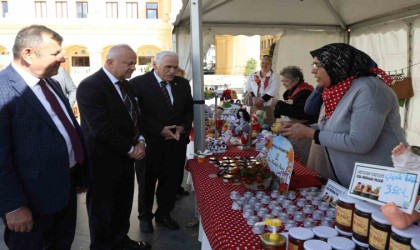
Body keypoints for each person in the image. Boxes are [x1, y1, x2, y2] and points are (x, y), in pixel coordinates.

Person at [0, 25, 89, 250]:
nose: (63, 57)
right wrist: (12, 206)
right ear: (28, 54)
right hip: (30, 202)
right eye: (56, 53)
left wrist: (77, 173)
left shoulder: (52, 83)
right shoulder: (3, 91)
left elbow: (66, 129)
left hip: (64, 188)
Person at [280, 43, 406, 187]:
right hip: (354, 181)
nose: (313, 71)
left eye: (317, 65)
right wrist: (299, 128)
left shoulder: (370, 90)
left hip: (379, 183)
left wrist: (311, 134)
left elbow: (359, 142)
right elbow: (333, 127)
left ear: (337, 64)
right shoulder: (340, 88)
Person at [76, 44, 150, 249]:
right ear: (110, 62)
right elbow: (101, 129)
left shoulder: (127, 85)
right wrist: (131, 149)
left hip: (126, 158)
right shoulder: (91, 86)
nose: (133, 68)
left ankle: (120, 240)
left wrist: (141, 141)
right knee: (103, 209)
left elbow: (137, 118)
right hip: (103, 160)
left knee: (123, 203)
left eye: (134, 63)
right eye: (129, 63)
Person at [131, 51, 193, 233]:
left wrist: (182, 127)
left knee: (171, 181)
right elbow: (137, 115)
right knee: (146, 182)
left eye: (175, 67)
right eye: (168, 67)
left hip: (175, 144)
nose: (172, 71)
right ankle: (144, 217)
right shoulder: (138, 84)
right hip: (150, 145)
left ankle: (164, 213)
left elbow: (188, 111)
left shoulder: (182, 84)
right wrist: (159, 129)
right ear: (154, 64)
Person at [273, 65, 318, 165]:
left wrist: (279, 104)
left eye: (286, 81)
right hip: (293, 129)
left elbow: (301, 112)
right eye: (282, 81)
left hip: (302, 132)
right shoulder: (295, 91)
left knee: (299, 160)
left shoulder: (305, 92)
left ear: (296, 80)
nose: (284, 84)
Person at [245, 55, 280, 126]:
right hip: (255, 102)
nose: (264, 65)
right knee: (255, 123)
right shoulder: (253, 75)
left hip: (268, 103)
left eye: (267, 63)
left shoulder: (275, 76)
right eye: (263, 63)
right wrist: (254, 98)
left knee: (267, 123)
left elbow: (274, 90)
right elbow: (248, 87)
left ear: (270, 64)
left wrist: (261, 100)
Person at [174, 67, 191, 198]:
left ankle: (177, 187)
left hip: (181, 135)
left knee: (179, 164)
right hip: (168, 135)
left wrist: (184, 126)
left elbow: (188, 109)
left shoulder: (183, 87)